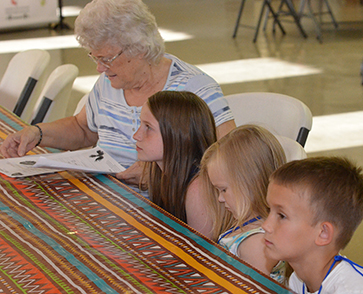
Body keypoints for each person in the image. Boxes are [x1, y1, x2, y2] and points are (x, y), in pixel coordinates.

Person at [0, 0, 235, 187]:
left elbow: (230, 159)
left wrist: (163, 173)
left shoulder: (194, 89)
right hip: (108, 196)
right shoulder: (109, 83)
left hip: (168, 208)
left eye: (106, 59)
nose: (99, 69)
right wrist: (37, 133)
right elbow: (83, 129)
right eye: (95, 58)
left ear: (140, 48)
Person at [262, 157, 363, 294]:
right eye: (269, 210)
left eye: (282, 216)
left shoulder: (351, 291)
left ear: (323, 233)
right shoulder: (298, 281)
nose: (266, 225)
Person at [199, 125, 288, 284]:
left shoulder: (257, 244)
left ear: (250, 183)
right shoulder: (246, 226)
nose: (220, 198)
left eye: (223, 189)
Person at [134, 91, 216, 237]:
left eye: (148, 127)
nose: (136, 135)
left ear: (178, 135)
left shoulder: (198, 190)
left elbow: (201, 253)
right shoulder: (158, 170)